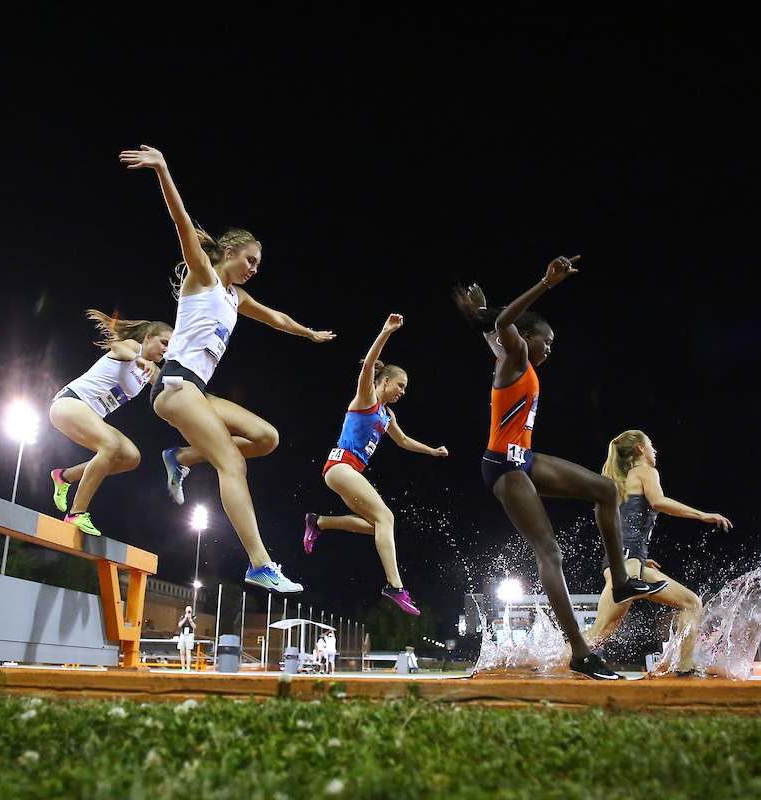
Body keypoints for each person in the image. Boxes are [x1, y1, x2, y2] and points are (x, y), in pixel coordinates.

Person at [121, 144, 334, 594]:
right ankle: (259, 562)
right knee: (232, 463)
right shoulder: (204, 277)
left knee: (266, 438)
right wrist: (163, 168)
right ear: (230, 252)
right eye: (250, 260)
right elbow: (181, 222)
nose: (255, 269)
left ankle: (177, 457)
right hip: (176, 387)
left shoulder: (236, 298)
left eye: (259, 264)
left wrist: (308, 333)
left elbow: (274, 316)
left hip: (201, 392)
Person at [453, 259, 667, 681]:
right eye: (546, 341)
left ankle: (621, 580)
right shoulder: (513, 355)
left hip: (525, 459)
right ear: (525, 337)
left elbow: (495, 326)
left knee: (606, 490)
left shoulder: (516, 357)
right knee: (550, 552)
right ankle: (581, 652)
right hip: (503, 467)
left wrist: (483, 313)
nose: (550, 349)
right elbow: (505, 324)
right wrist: (545, 284)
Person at [302, 314, 447, 614]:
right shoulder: (366, 398)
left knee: (377, 527)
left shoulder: (387, 415)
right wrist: (385, 332)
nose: (403, 391)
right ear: (384, 382)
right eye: (400, 385)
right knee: (387, 518)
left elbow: (404, 441)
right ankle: (394, 587)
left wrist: (432, 451)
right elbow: (369, 365)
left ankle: (318, 522)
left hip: (347, 473)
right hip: (342, 466)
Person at [584, 430, 732, 675]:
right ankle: (550, 661)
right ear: (640, 449)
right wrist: (703, 515)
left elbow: (620, 524)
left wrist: (638, 557)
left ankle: (685, 666)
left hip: (629, 563)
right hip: (628, 565)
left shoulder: (624, 480)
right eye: (651, 445)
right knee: (600, 632)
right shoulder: (645, 471)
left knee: (691, 602)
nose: (655, 450)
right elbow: (659, 501)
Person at [48, 311, 173, 536]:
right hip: (70, 403)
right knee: (110, 446)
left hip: (90, 415)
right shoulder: (133, 347)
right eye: (163, 343)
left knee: (130, 457)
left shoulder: (151, 370)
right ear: (147, 338)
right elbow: (118, 348)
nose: (165, 350)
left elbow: (172, 386)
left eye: (169, 348)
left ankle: (64, 476)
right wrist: (139, 358)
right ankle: (76, 513)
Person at [177, 606, 197, 670]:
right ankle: (183, 666)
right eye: (187, 611)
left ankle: (188, 667)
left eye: (189, 611)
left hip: (190, 635)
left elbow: (194, 627)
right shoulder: (182, 617)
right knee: (182, 651)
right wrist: (185, 618)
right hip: (183, 634)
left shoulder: (194, 617)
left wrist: (190, 620)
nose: (188, 612)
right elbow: (179, 625)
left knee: (188, 651)